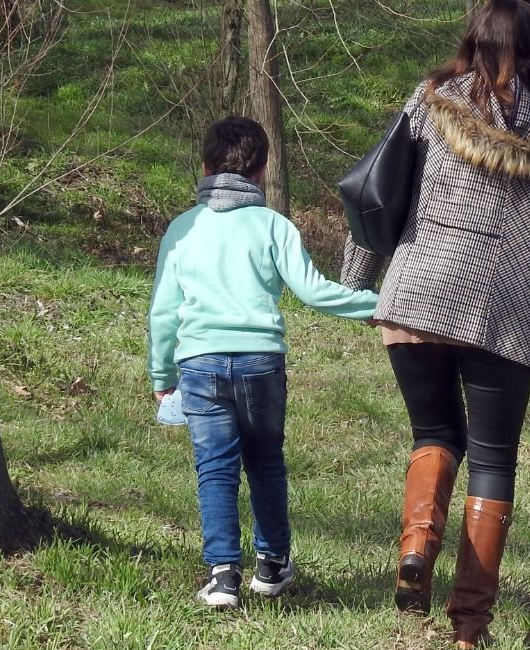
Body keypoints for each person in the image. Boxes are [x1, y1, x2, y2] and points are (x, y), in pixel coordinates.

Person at [342, 0, 530, 650]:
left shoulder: (431, 98)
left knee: (433, 432)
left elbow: (381, 188)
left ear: (474, 38)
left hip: (418, 297)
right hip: (506, 313)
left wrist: (353, 281)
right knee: (493, 461)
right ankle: (471, 626)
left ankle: (416, 547)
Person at [149, 116, 379, 609]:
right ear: (262, 170)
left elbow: (164, 311)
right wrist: (378, 305)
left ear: (206, 166)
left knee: (215, 467)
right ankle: (272, 564)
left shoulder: (183, 228)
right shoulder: (274, 225)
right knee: (266, 462)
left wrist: (161, 376)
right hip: (260, 362)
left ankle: (223, 575)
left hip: (200, 363)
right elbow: (314, 292)